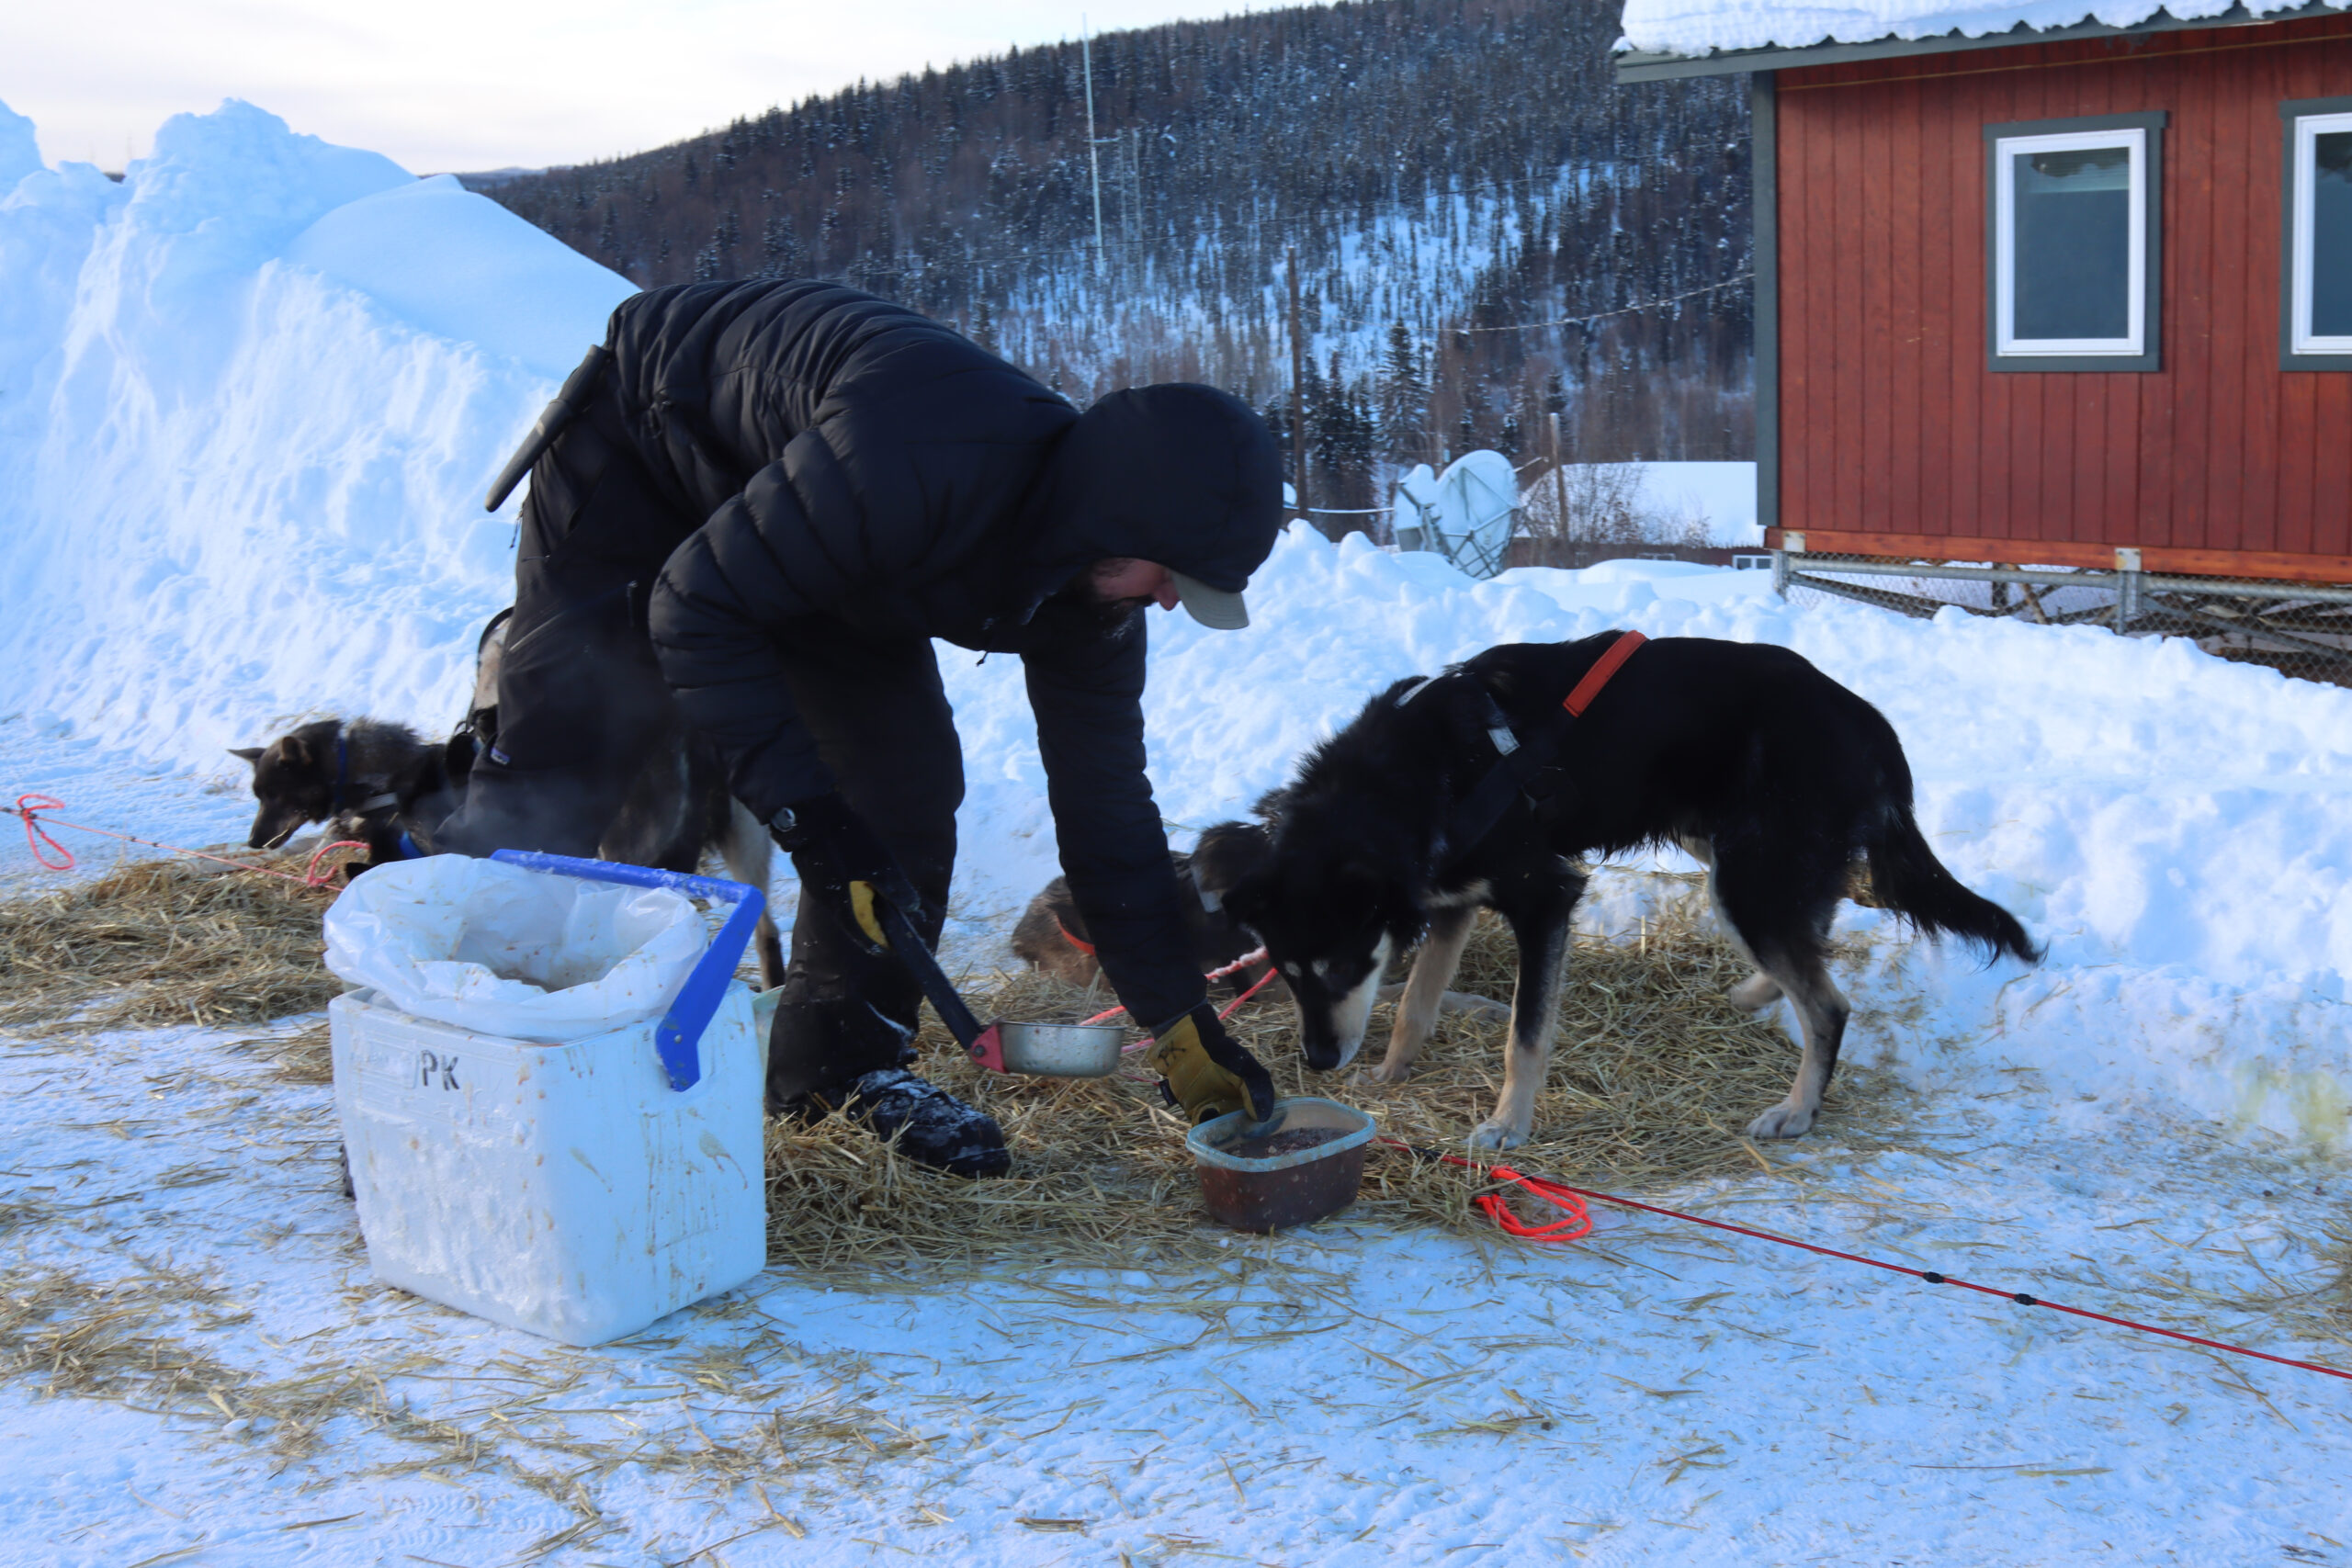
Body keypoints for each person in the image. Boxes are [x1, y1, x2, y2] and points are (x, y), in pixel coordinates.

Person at [434, 278, 1284, 1177]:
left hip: (823, 538)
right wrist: (809, 820)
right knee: (558, 765)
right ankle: (445, 1066)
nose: (1164, 602)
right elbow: (695, 607)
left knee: (901, 789)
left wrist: (1182, 1026)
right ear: (1110, 523)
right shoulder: (916, 461)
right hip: (649, 451)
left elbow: (1107, 811)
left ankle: (840, 1073)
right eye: (1167, 577)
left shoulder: (1093, 604)